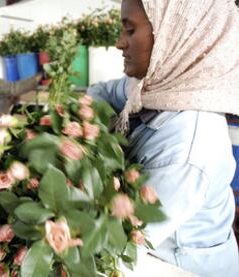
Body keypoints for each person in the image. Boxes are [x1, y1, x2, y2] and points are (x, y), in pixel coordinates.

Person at [87, 0, 239, 276]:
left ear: (174, 37)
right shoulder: (154, 86)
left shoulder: (186, 149)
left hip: (175, 265)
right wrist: (88, 132)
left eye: (130, 31)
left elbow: (122, 247)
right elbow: (101, 92)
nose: (120, 43)